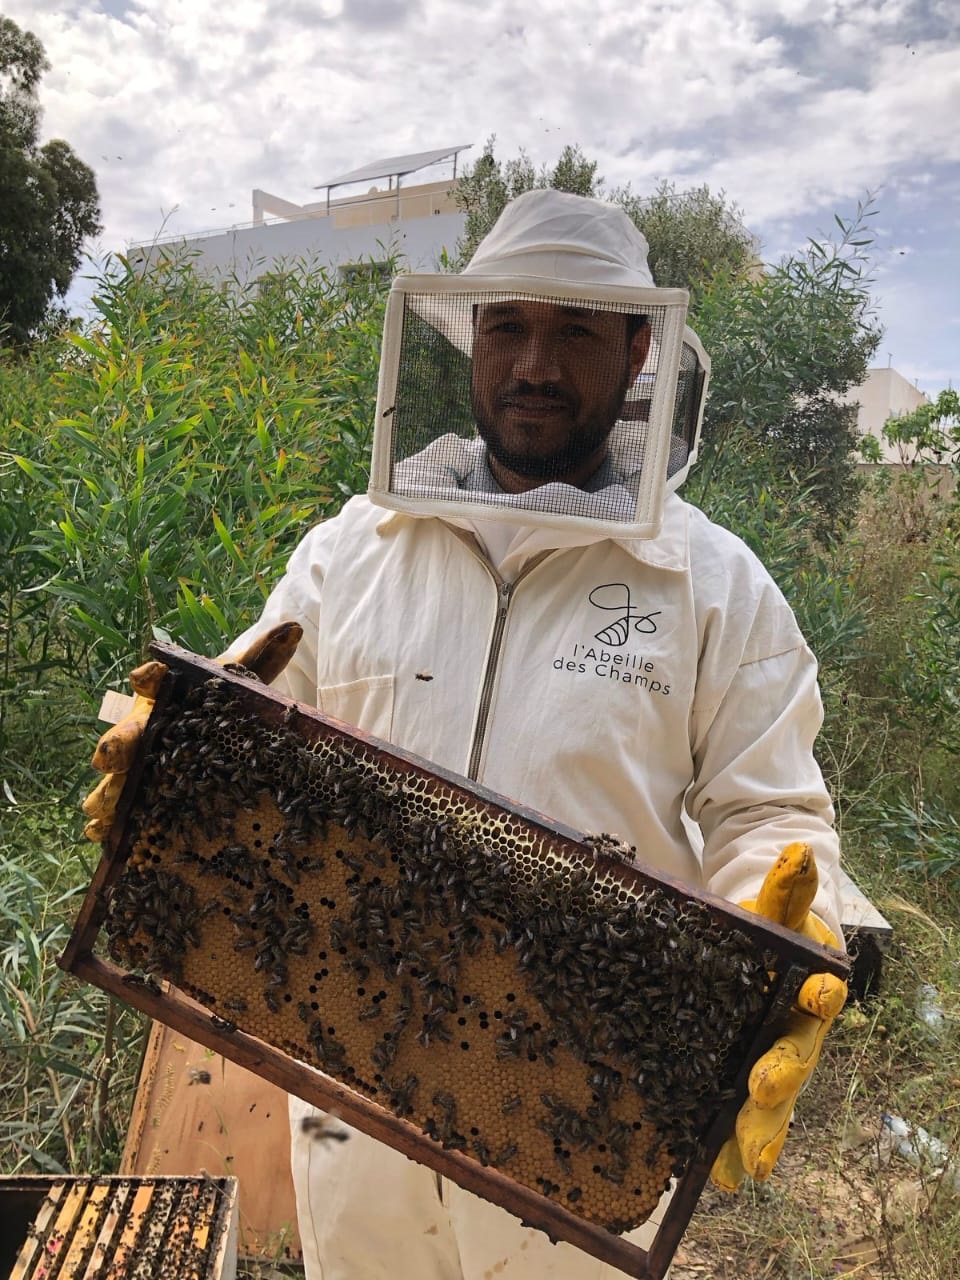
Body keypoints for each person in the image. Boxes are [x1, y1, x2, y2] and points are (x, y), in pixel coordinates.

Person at [86, 189, 847, 1280]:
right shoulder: (351, 551)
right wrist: (167, 748)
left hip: (579, 1114)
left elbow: (770, 813)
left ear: (640, 352)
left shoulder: (714, 583)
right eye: (508, 325)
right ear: (470, 335)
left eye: (575, 329)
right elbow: (245, 715)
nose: (534, 363)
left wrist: (783, 939)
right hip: (351, 1080)